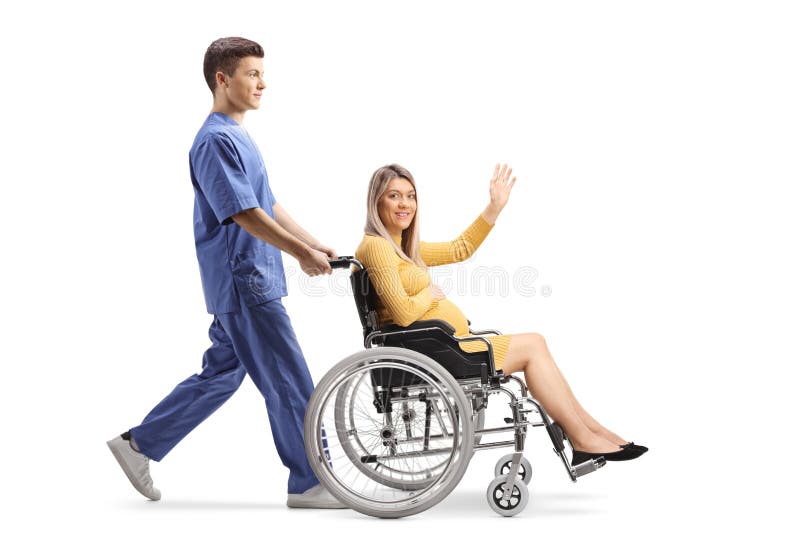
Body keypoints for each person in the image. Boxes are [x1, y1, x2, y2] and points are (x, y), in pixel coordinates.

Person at [107, 37, 345, 509]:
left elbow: (267, 203)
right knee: (288, 377)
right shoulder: (215, 139)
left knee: (220, 376)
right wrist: (300, 254)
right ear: (223, 78)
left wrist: (313, 242)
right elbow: (243, 213)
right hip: (245, 282)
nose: (262, 82)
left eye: (261, 73)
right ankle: (310, 481)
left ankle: (139, 445)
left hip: (247, 279)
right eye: (252, 73)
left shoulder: (237, 135)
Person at [354, 163, 648, 466]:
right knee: (533, 346)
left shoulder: (402, 247)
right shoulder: (377, 247)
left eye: (411, 196)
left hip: (443, 344)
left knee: (536, 342)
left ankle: (592, 431)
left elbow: (460, 248)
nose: (405, 204)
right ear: (377, 201)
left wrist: (494, 207)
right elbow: (402, 315)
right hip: (432, 351)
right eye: (394, 196)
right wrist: (428, 294)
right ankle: (583, 438)